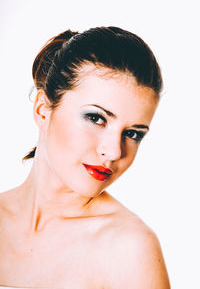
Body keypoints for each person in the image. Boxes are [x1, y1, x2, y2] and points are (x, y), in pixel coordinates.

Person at [0, 26, 170, 288]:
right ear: (43, 110)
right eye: (96, 118)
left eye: (133, 134)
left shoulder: (130, 249)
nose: (113, 152)